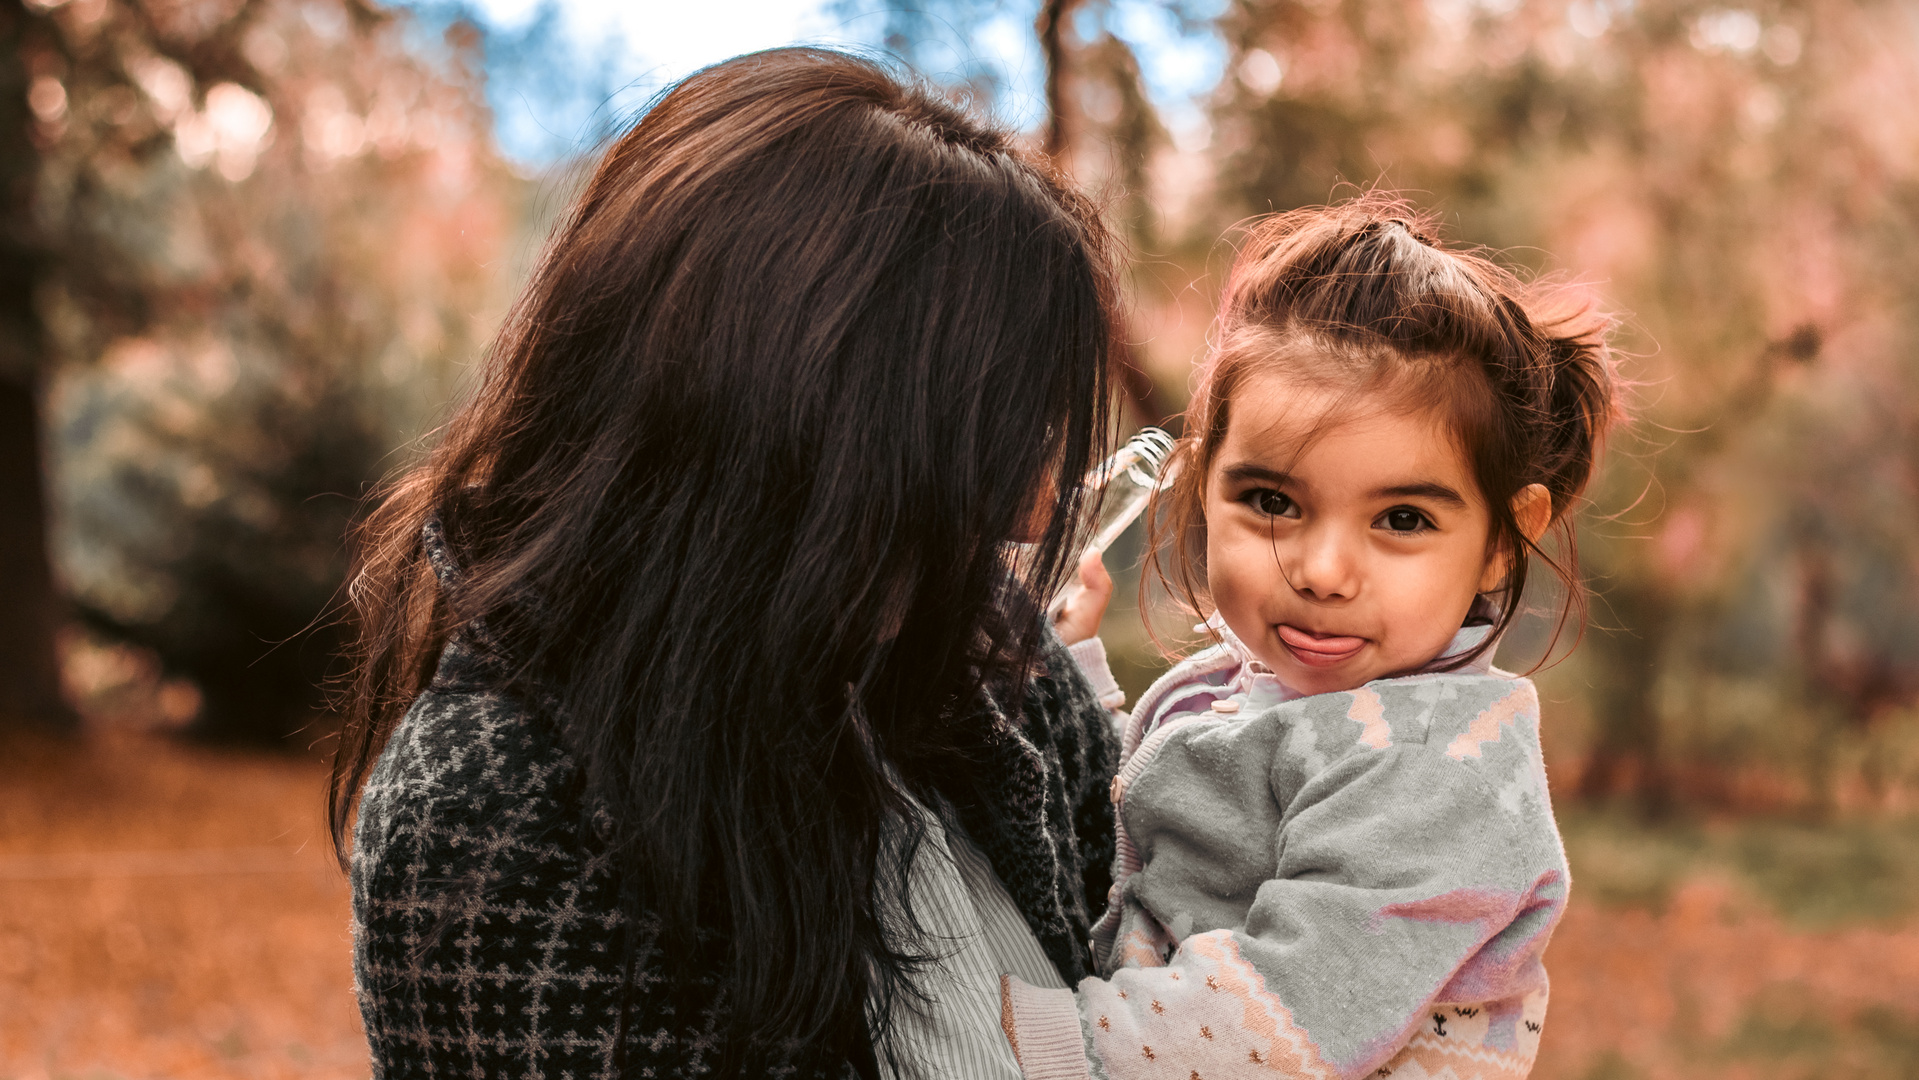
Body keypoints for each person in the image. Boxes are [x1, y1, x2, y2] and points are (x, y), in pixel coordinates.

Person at [329, 47, 1130, 1079]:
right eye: (989, 433)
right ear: (792, 422)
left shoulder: (980, 650)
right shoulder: (496, 823)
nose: (1032, 510)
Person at [998, 197, 1623, 1079]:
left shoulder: (1436, 770)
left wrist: (1014, 1038)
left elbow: (1274, 1023)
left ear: (1497, 540)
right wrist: (1075, 675)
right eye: (1272, 503)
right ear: (1202, 478)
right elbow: (1147, 829)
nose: (1323, 571)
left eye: (1401, 518)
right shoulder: (1250, 688)